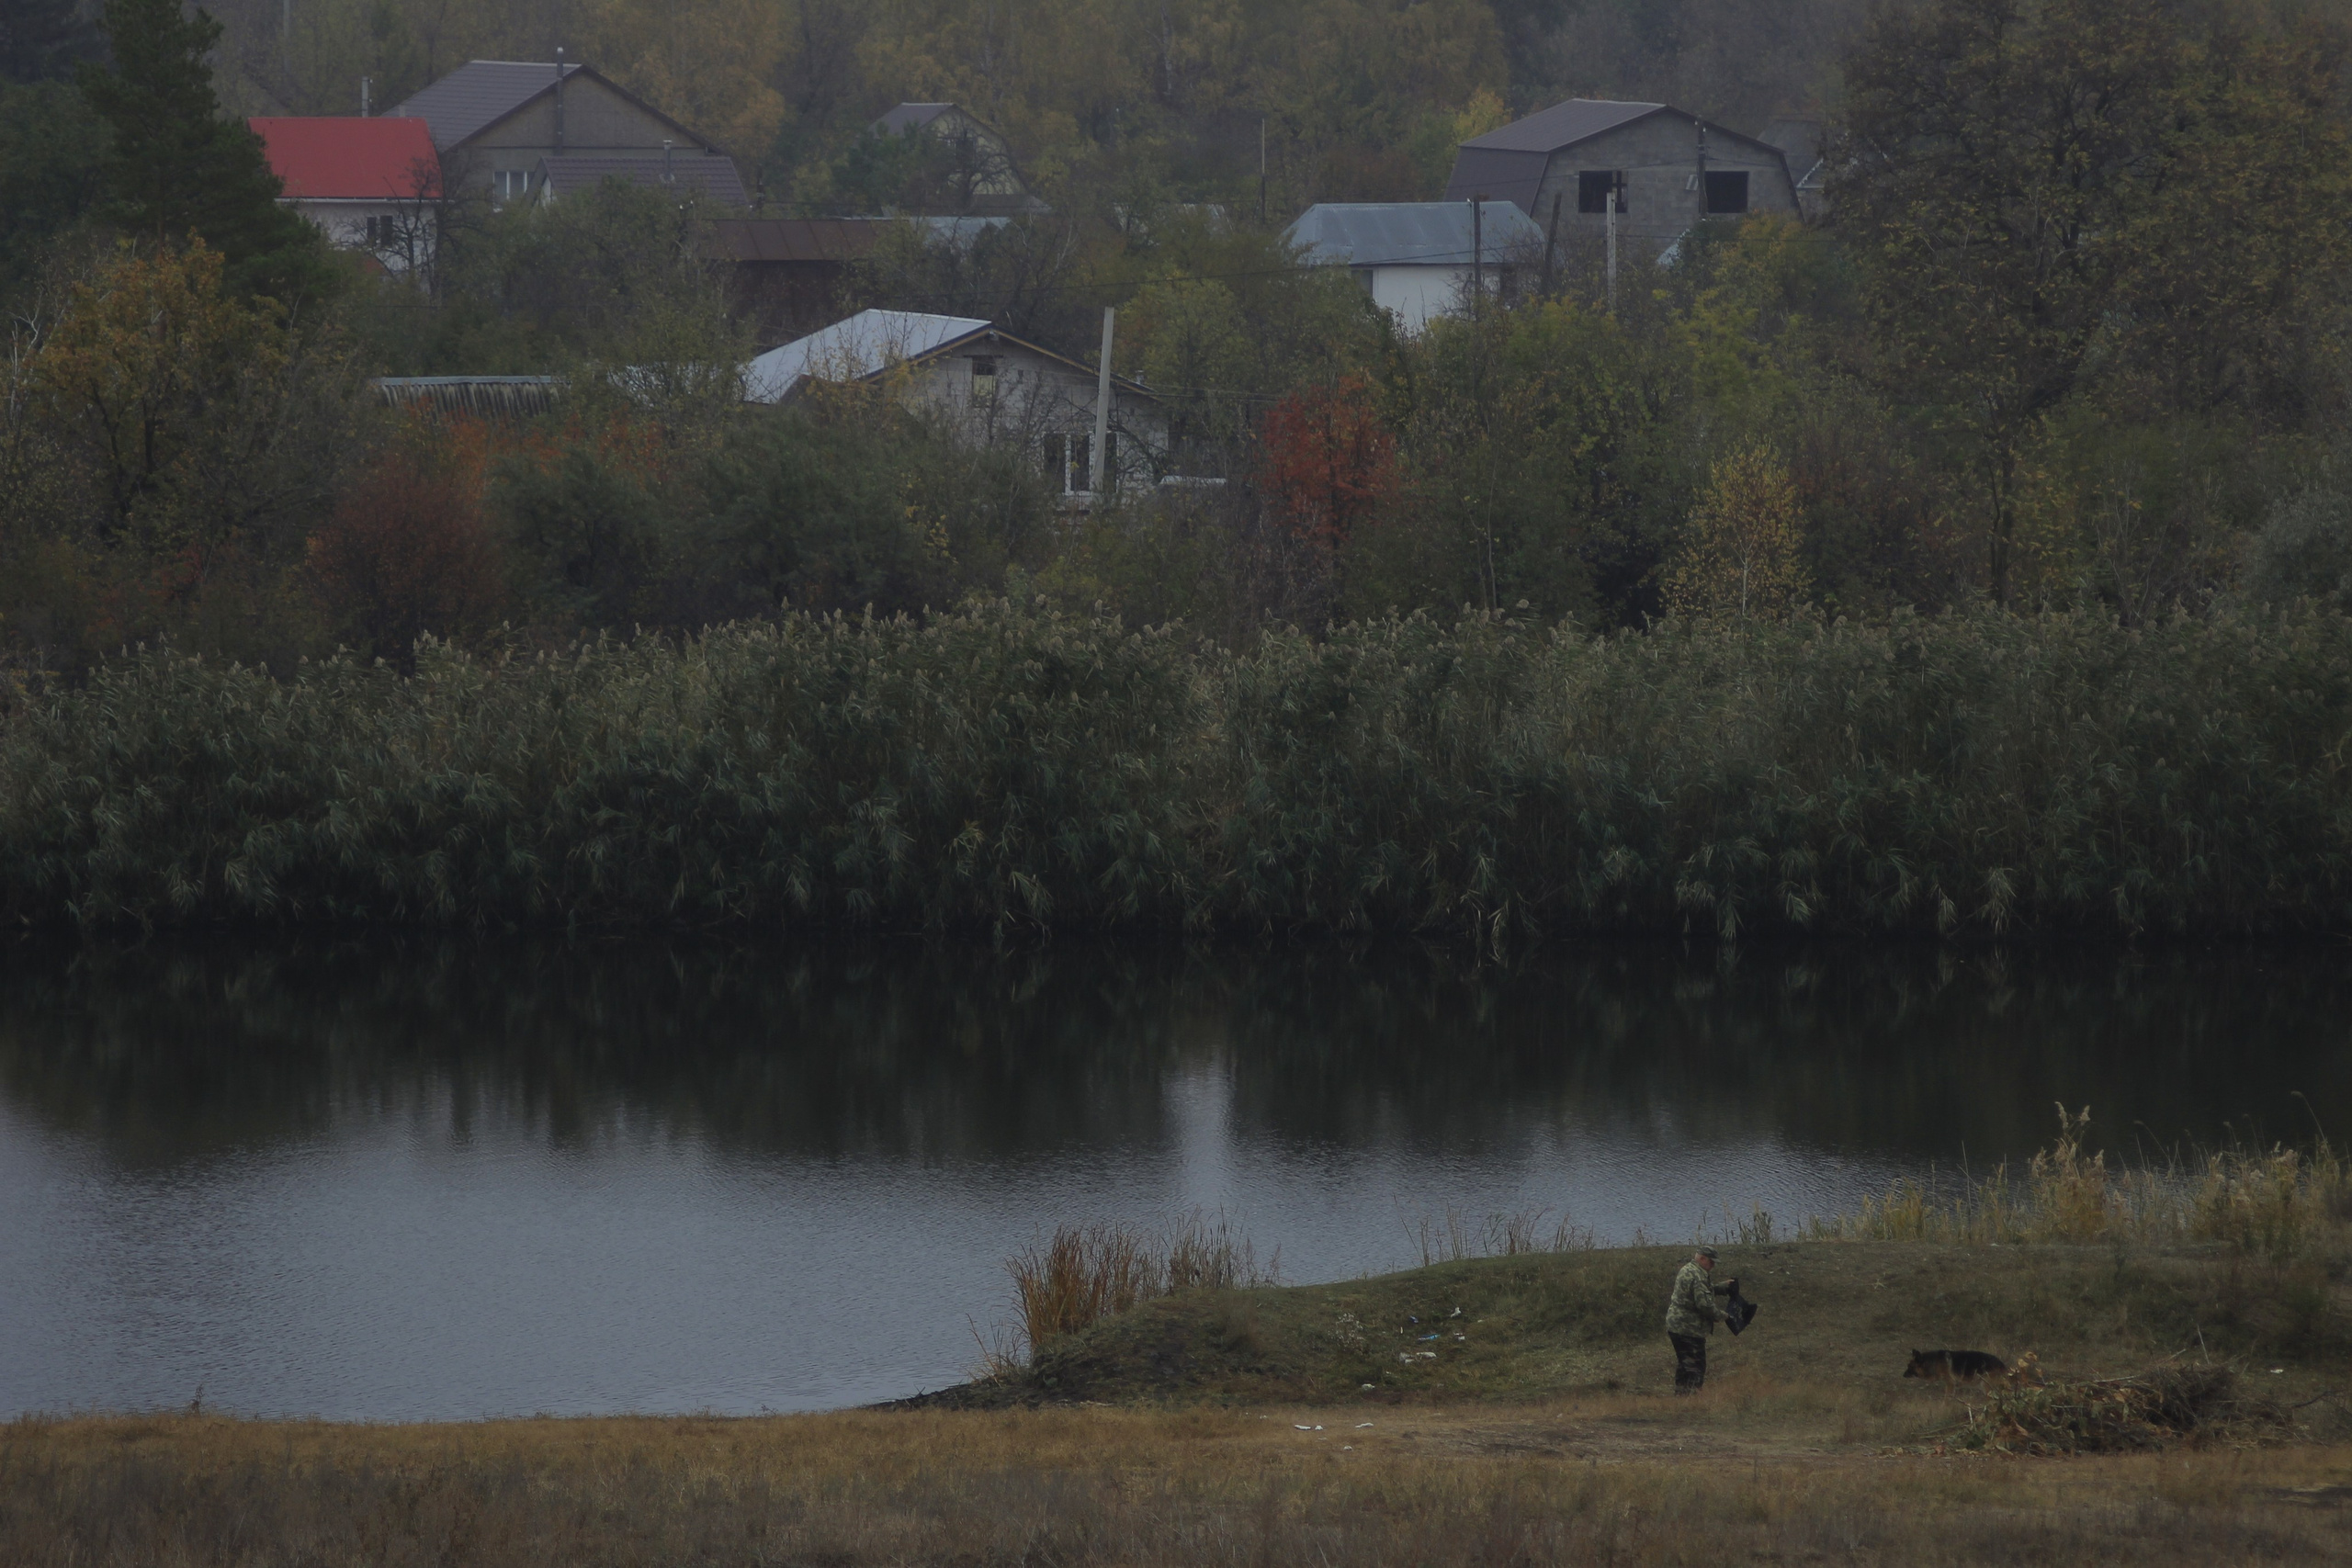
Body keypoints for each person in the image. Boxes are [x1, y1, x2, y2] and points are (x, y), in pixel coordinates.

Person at [1664, 1246, 1736, 1393]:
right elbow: (1705, 1305)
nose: (1713, 1266)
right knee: (1695, 1366)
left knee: (1685, 1364)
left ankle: (1681, 1396)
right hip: (1688, 1328)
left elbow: (1698, 1292)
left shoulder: (1689, 1269)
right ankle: (1692, 1399)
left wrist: (1720, 1288)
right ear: (1702, 1258)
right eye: (1711, 1262)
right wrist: (1724, 1316)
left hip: (1677, 1326)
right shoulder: (1697, 1275)